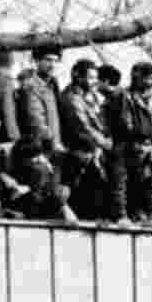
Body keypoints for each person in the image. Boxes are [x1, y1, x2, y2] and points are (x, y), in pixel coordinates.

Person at [107, 61, 152, 226]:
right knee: (120, 182)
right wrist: (139, 140)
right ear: (136, 77)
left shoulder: (151, 98)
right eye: (147, 78)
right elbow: (124, 123)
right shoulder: (123, 96)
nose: (151, 82)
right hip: (126, 145)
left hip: (147, 147)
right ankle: (120, 215)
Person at [60, 58, 113, 219]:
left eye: (95, 78)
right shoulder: (70, 97)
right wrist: (103, 143)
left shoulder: (91, 96)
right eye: (90, 78)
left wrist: (106, 139)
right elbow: (82, 127)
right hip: (78, 149)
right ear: (77, 76)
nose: (93, 82)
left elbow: (103, 122)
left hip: (94, 147)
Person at [18, 45, 64, 152]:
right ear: (37, 61)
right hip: (40, 148)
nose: (52, 65)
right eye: (48, 60)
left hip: (55, 145)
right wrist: (54, 144)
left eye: (56, 61)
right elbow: (36, 121)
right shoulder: (31, 87)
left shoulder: (52, 85)